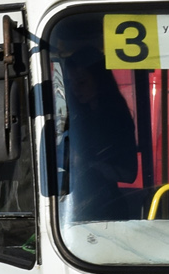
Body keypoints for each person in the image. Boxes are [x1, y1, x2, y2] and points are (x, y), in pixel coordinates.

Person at [59, 48, 138, 222]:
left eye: (81, 82)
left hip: (105, 207)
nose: (74, 89)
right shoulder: (71, 118)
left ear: (99, 81)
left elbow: (129, 174)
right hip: (70, 204)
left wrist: (90, 165)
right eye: (70, 83)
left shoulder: (118, 119)